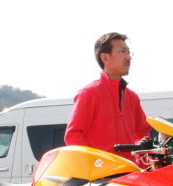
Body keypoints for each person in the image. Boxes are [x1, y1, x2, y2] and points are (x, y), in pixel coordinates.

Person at [64, 32, 152, 164]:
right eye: (123, 52)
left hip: (129, 171)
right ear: (105, 58)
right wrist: (94, 164)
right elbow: (73, 135)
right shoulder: (89, 93)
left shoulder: (132, 97)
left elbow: (142, 132)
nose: (129, 57)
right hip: (101, 173)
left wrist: (141, 163)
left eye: (129, 52)